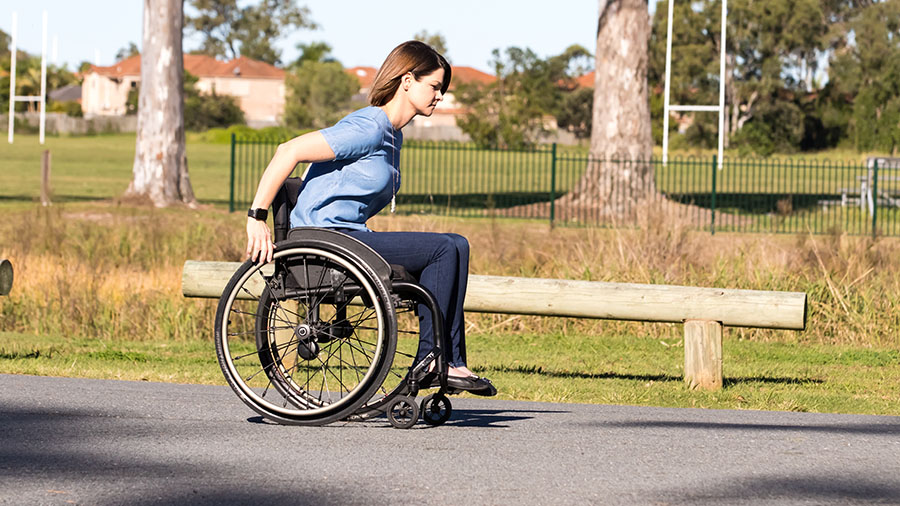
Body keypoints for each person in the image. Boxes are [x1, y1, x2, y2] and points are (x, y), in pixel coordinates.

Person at [244, 40, 496, 396]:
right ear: (407, 80)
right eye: (435, 87)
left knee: (457, 244)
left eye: (442, 89)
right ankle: (431, 359)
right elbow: (290, 151)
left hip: (349, 236)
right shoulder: (370, 126)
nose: (440, 96)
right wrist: (256, 216)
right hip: (324, 238)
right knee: (443, 248)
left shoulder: (394, 136)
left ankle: (450, 361)